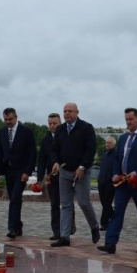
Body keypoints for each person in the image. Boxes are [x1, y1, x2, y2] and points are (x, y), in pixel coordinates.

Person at [97, 108, 137, 254]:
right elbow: (118, 158)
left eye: (130, 119)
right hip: (123, 183)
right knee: (118, 211)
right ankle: (110, 243)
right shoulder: (123, 137)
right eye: (126, 120)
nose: (128, 122)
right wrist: (115, 173)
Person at [50, 102, 101, 247]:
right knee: (65, 204)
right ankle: (65, 237)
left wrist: (83, 166)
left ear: (77, 112)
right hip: (65, 171)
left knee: (84, 202)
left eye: (70, 111)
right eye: (65, 111)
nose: (67, 114)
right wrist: (55, 162)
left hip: (82, 172)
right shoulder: (60, 130)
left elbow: (91, 149)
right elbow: (54, 150)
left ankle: (94, 227)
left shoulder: (86, 128)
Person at [0, 108, 36, 239]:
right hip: (8, 171)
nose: (8, 122)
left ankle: (12, 228)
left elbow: (32, 153)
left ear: (16, 117)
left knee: (15, 198)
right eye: (5, 120)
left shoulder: (26, 132)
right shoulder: (2, 132)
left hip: (21, 171)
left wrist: (27, 172)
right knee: (14, 199)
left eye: (10, 119)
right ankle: (18, 226)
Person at [37, 113, 74, 240]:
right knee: (54, 204)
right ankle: (56, 231)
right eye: (50, 123)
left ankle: (69, 226)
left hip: (66, 175)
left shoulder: (67, 136)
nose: (52, 126)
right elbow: (41, 159)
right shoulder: (45, 140)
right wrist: (40, 178)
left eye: (55, 123)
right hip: (51, 177)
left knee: (66, 203)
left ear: (60, 123)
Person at [98, 135, 117, 230]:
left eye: (109, 143)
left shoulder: (116, 154)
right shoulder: (104, 153)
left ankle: (104, 223)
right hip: (101, 181)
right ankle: (114, 217)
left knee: (106, 203)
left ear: (114, 144)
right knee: (103, 202)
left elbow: (115, 168)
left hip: (110, 182)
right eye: (106, 142)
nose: (107, 144)